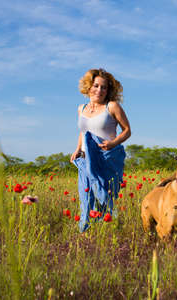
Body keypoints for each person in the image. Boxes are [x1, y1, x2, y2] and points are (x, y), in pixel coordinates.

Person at [70, 68, 131, 233]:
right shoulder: (81, 108)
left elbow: (127, 131)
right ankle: (86, 233)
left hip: (106, 160)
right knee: (86, 198)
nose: (99, 90)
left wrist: (113, 143)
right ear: (89, 86)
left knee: (104, 198)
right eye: (96, 85)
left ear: (108, 90)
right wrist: (77, 149)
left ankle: (108, 233)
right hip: (86, 160)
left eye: (104, 87)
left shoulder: (112, 106)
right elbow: (83, 132)